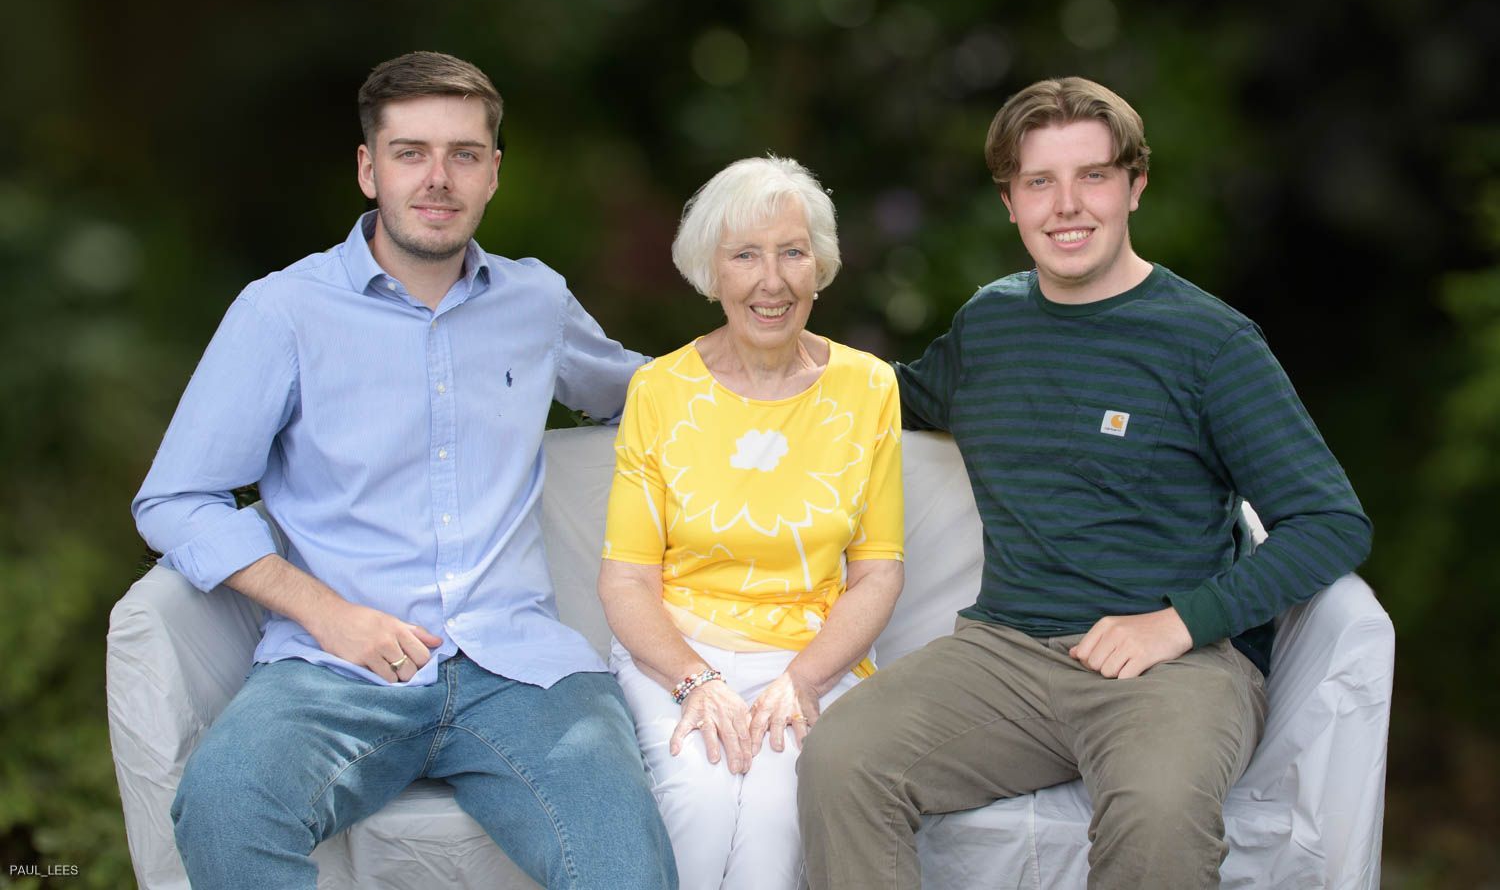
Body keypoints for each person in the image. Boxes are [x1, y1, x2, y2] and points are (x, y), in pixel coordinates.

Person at [797, 77, 1372, 889]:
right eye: (1040, 182)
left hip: (1176, 669)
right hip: (1003, 654)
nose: (1067, 206)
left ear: (1134, 186)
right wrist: (712, 375)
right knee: (842, 759)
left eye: (1093, 176)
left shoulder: (1211, 343)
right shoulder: (990, 324)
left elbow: (1330, 521)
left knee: (1160, 812)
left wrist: (1177, 623)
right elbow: (886, 393)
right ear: (1011, 201)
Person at [132, 51, 676, 890]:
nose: (438, 179)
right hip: (332, 669)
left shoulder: (534, 301)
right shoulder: (283, 311)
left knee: (626, 869)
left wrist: (800, 371)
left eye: (464, 154)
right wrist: (327, 612)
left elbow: (649, 396)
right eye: (410, 152)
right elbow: (175, 498)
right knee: (226, 807)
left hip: (521, 672)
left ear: (494, 173)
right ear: (368, 168)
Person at [597, 156, 906, 889]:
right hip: (677, 654)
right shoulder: (660, 390)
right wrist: (695, 681)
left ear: (821, 266)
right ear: (712, 270)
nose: (773, 282)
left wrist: (800, 680)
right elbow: (628, 579)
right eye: (746, 256)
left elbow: (878, 572)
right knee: (696, 802)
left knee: (777, 812)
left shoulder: (868, 387)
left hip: (810, 659)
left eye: (793, 252)